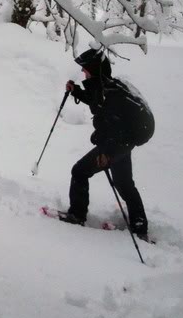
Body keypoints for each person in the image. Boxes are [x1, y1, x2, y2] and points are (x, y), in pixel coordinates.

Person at [60, 48, 149, 240]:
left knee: (80, 171)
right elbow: (96, 102)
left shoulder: (111, 93)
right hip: (123, 145)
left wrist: (106, 153)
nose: (83, 72)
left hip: (115, 145)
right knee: (124, 184)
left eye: (85, 69)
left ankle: (77, 214)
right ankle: (139, 225)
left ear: (94, 68)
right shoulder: (105, 87)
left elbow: (114, 127)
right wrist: (76, 91)